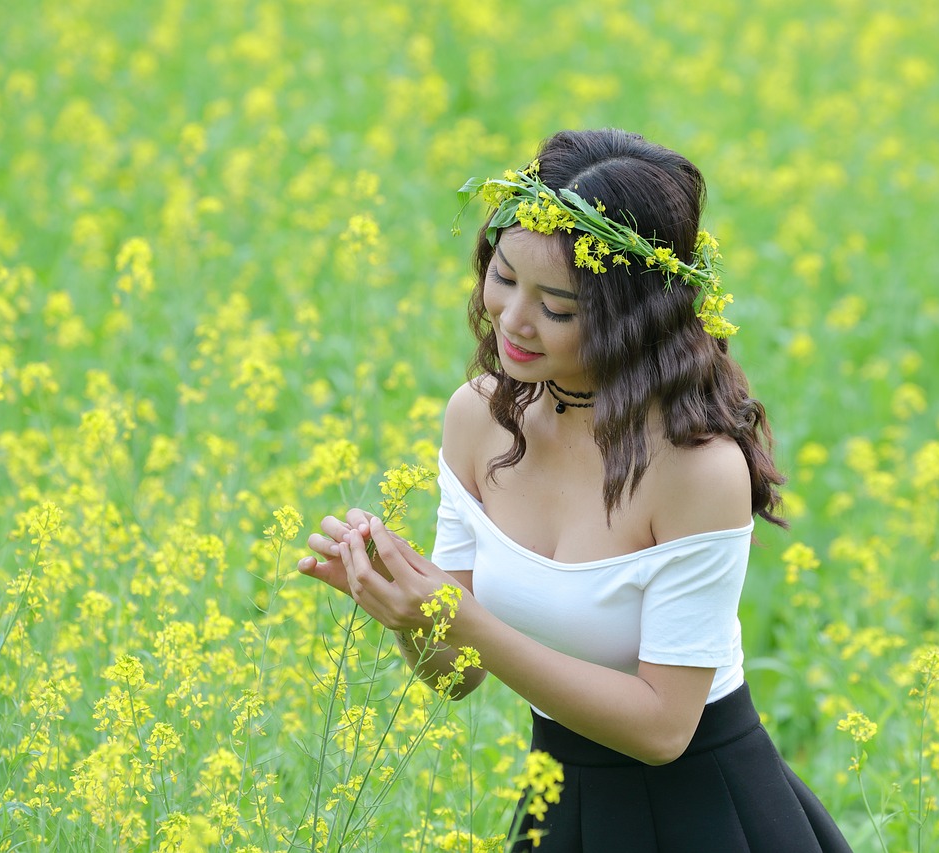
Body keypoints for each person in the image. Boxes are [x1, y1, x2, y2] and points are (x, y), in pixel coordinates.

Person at [297, 128, 851, 851]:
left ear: (634, 316)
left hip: (705, 815)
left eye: (557, 307)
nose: (512, 319)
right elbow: (455, 677)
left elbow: (663, 728)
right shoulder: (479, 419)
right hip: (559, 805)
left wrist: (460, 618)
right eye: (502, 276)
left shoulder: (697, 468)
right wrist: (403, 607)